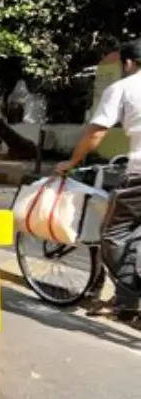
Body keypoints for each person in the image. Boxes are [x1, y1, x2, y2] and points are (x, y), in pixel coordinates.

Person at [56, 39, 141, 319]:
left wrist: (72, 161)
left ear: (128, 63)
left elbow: (96, 133)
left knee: (113, 235)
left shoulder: (124, 87)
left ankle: (129, 296)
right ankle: (123, 301)